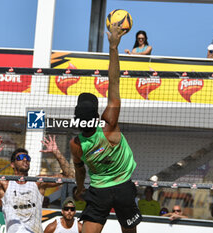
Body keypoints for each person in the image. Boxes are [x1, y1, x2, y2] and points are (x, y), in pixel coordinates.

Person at [70, 23, 142, 233]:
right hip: (122, 186)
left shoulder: (76, 145)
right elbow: (114, 81)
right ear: (97, 114)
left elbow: (79, 170)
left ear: (76, 118)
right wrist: (113, 47)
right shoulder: (109, 124)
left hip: (99, 190)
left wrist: (81, 188)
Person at [0, 134, 73, 233]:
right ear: (12, 164)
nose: (25, 160)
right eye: (20, 158)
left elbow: (69, 176)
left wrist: (56, 152)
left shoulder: (38, 183)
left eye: (27, 158)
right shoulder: (5, 183)